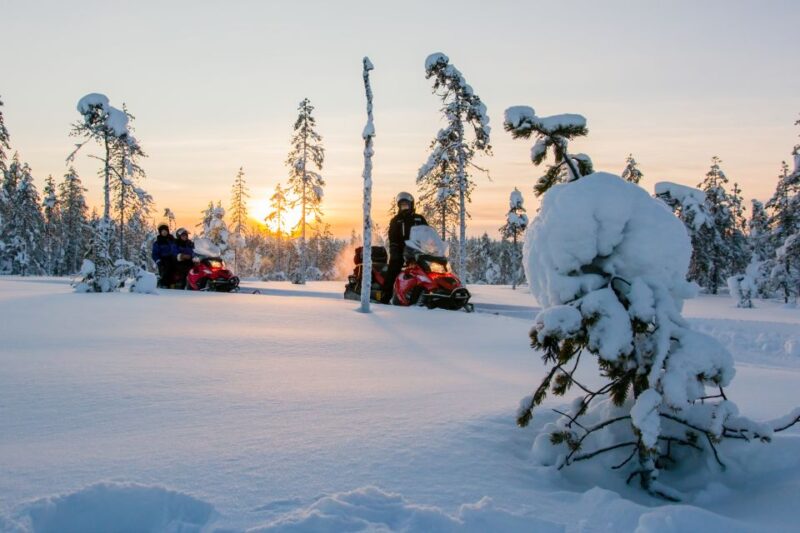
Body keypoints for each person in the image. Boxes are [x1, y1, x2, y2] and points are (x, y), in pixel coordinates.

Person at [381, 192, 428, 303]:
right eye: (402, 205)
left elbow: (427, 232)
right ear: (399, 206)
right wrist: (395, 249)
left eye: (406, 205)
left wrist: (431, 244)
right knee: (394, 268)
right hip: (401, 251)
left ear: (411, 205)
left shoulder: (419, 219)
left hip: (419, 251)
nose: (404, 207)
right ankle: (385, 296)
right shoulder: (396, 220)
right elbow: (392, 236)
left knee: (431, 268)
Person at [152, 224, 178, 288]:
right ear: (160, 232)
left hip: (174, 258)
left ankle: (177, 284)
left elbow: (179, 247)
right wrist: (158, 261)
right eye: (162, 231)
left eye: (165, 231)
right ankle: (164, 285)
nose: (164, 232)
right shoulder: (158, 242)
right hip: (163, 260)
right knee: (166, 271)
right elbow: (154, 254)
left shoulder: (172, 240)